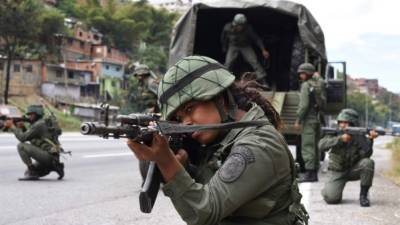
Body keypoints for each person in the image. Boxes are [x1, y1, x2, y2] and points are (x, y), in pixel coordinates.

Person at [128, 56, 308, 225]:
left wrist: (166, 161)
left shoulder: (258, 145)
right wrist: (185, 168)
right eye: (179, 118)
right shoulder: (224, 138)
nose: (186, 123)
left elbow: (206, 211)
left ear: (220, 99)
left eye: (190, 109)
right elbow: (213, 183)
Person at [319, 109, 378, 207]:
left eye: (345, 122)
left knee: (368, 163)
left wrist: (370, 140)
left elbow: (367, 154)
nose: (342, 125)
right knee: (331, 198)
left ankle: (363, 196)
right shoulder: (334, 133)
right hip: (337, 171)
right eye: (340, 122)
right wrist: (340, 139)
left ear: (353, 123)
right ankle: (328, 189)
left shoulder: (359, 135)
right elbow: (321, 146)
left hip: (352, 170)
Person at [4, 104, 64, 180]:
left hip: (48, 157)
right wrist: (22, 127)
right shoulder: (43, 123)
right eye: (28, 115)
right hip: (53, 157)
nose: (29, 117)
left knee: (21, 146)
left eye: (31, 114)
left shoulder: (38, 125)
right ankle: (56, 167)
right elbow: (31, 137)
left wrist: (12, 126)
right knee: (27, 173)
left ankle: (33, 172)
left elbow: (22, 138)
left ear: (37, 114)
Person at [221, 13, 270, 86]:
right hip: (233, 46)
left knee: (254, 61)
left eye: (242, 26)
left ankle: (264, 81)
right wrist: (224, 47)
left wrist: (263, 49)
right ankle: (223, 82)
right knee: (228, 63)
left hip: (245, 46)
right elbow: (223, 38)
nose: (240, 27)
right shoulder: (227, 27)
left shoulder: (248, 28)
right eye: (238, 26)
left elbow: (256, 39)